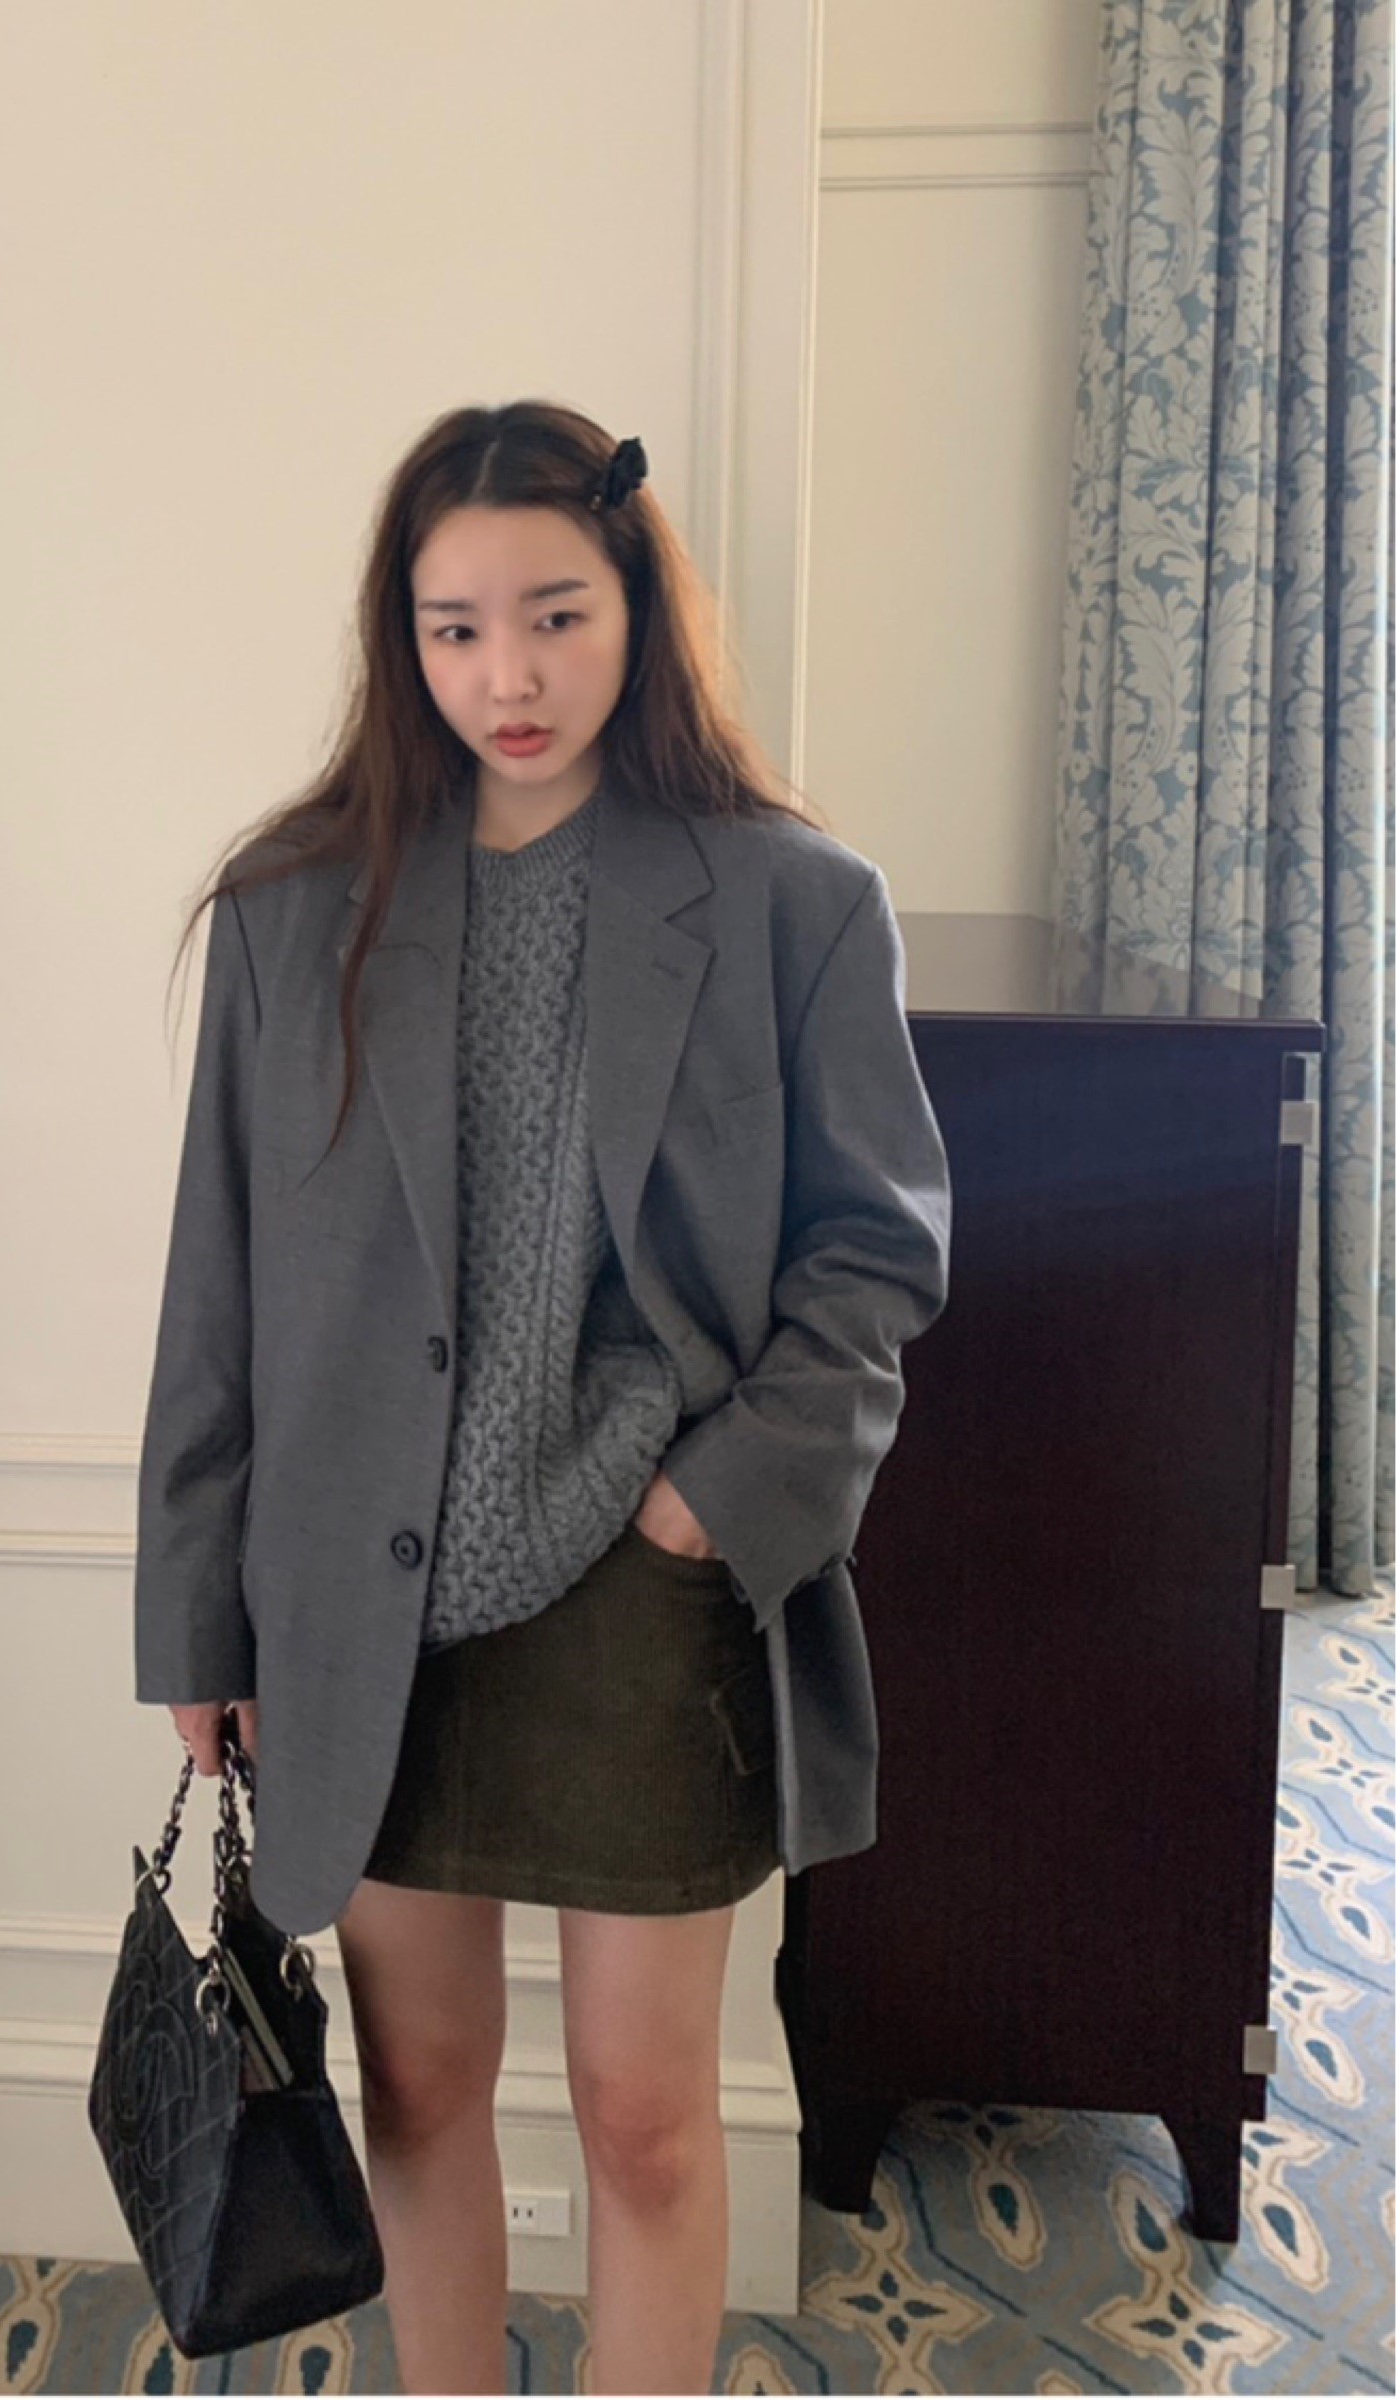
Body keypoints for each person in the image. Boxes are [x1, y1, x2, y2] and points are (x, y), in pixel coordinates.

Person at [135, 400, 951, 2394]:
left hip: (643, 1591)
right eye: (455, 628)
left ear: (638, 608)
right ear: (400, 640)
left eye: (555, 616)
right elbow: (216, 1288)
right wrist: (198, 1618)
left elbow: (875, 1255)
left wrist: (709, 1506)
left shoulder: (791, 900)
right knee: (418, 2087)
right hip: (363, 1600)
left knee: (644, 2117)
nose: (507, 674)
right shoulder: (292, 908)